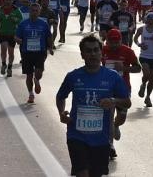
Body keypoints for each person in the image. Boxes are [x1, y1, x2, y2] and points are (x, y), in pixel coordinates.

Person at [56, 35, 131, 176]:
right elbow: (61, 97)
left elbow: (127, 102)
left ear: (101, 53)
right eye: (88, 51)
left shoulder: (113, 76)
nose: (93, 54)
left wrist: (113, 101)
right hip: (76, 135)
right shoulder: (73, 76)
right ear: (82, 54)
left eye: (96, 50)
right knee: (82, 173)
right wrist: (61, 113)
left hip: (101, 138)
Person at [101, 28, 141, 159]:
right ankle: (110, 146)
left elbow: (138, 68)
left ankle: (115, 125)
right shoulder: (102, 50)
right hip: (107, 88)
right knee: (109, 114)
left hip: (123, 88)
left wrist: (124, 68)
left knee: (122, 117)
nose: (113, 45)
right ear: (107, 41)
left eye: (116, 42)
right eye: (111, 42)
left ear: (120, 40)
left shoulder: (127, 51)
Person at [15, 3, 54, 104]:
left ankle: (36, 79)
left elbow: (49, 36)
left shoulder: (43, 24)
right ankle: (31, 94)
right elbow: (16, 36)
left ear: (39, 12)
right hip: (26, 52)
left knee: (38, 71)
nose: (34, 12)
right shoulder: (23, 23)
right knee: (28, 75)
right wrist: (18, 40)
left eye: (36, 11)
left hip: (40, 52)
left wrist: (50, 47)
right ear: (29, 11)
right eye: (33, 10)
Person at [133, 13, 153, 107]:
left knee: (152, 79)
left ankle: (148, 97)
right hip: (144, 56)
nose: (151, 20)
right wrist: (139, 44)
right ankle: (143, 84)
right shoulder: (142, 29)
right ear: (146, 19)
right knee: (146, 74)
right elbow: (135, 38)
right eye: (149, 18)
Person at [0, 0, 23, 77]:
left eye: (10, 0)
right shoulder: (1, 9)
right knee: (3, 49)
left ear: (12, 0)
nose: (8, 1)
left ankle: (10, 67)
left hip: (12, 34)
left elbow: (21, 21)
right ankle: (4, 64)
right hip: (3, 32)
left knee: (11, 52)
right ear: (5, 0)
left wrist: (15, 19)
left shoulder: (16, 10)